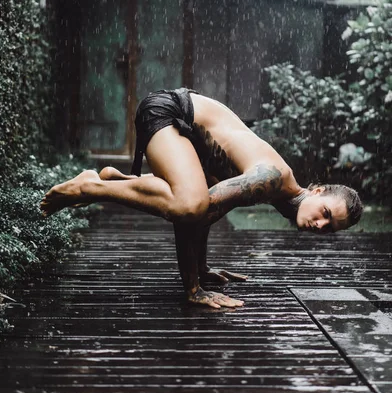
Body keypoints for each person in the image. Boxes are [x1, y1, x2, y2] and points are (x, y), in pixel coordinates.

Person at [40, 88, 363, 309]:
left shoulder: (281, 194)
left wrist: (203, 267)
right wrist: (193, 288)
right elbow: (199, 210)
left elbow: (217, 201)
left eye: (329, 227)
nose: (320, 225)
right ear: (318, 190)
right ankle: (90, 188)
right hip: (169, 113)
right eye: (325, 213)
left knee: (197, 199)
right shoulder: (273, 179)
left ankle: (118, 180)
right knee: (191, 204)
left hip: (187, 132)